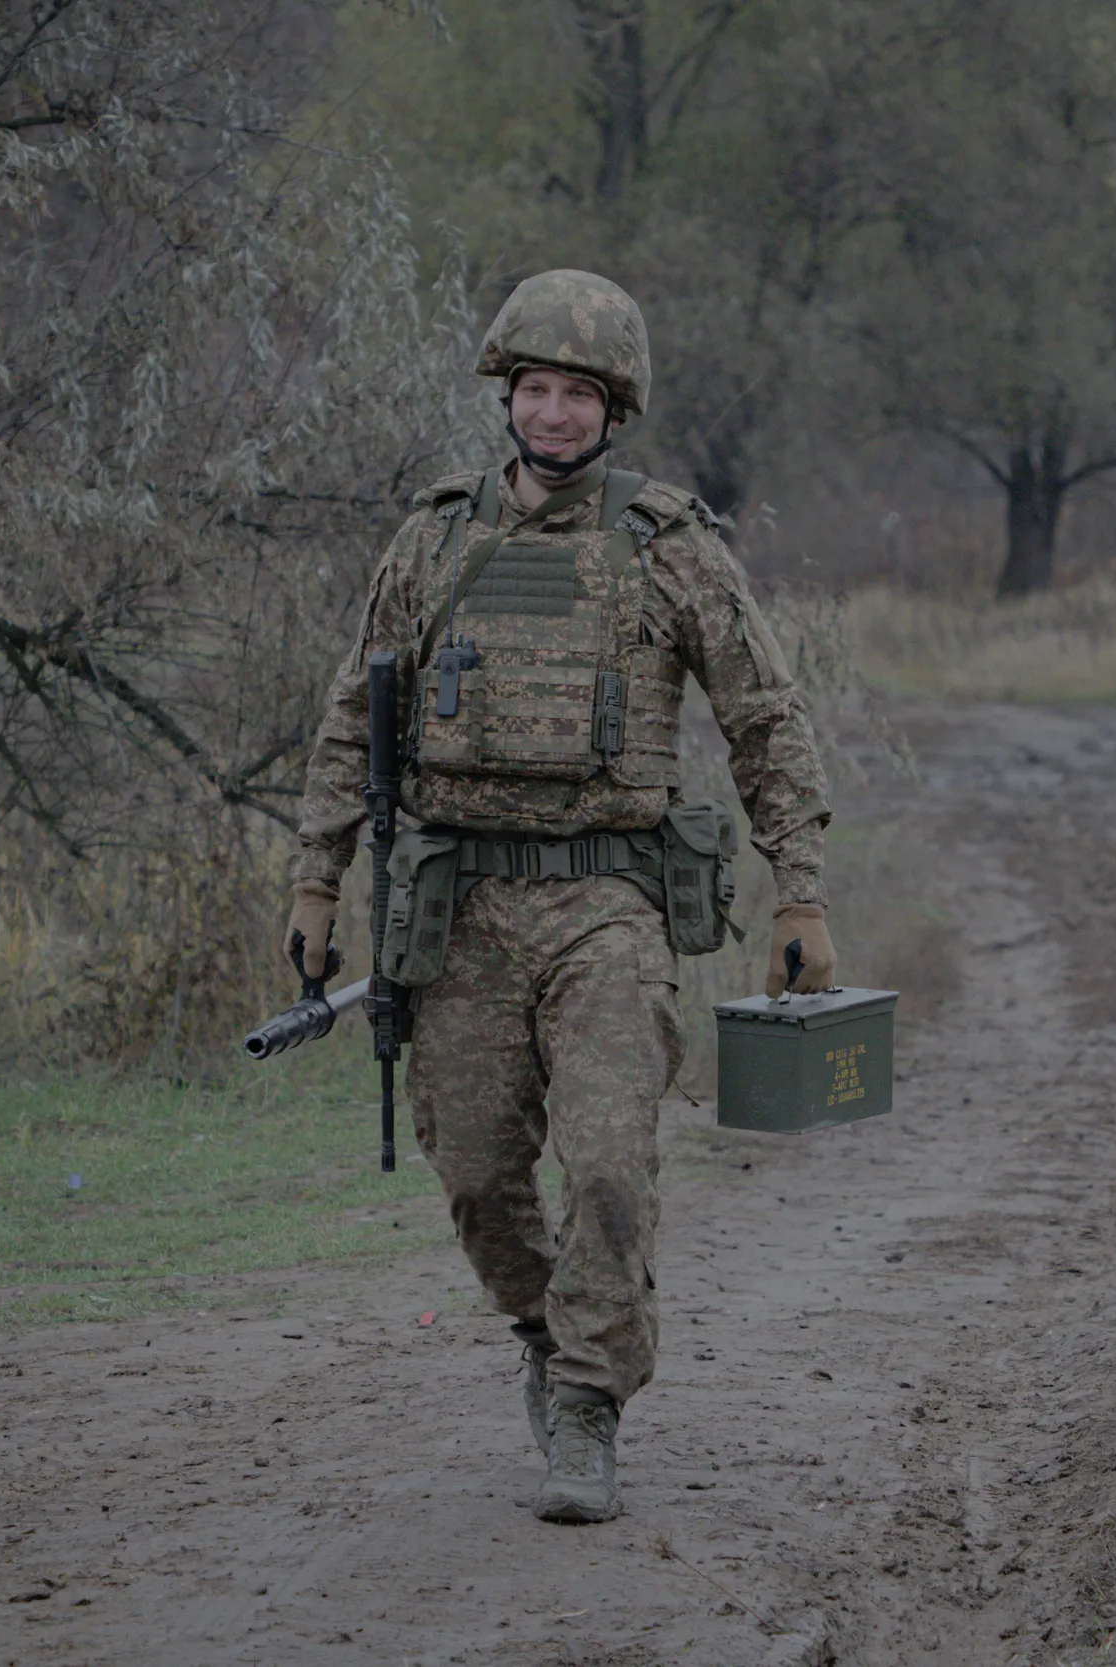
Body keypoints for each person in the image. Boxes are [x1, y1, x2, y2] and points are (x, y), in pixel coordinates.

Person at [283, 270, 836, 1524]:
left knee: (609, 1171)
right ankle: (547, 1330)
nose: (551, 412)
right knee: (478, 1176)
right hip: (462, 908)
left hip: (605, 908)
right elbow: (343, 719)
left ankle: (588, 1400)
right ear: (506, 397)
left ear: (612, 409)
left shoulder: (668, 545)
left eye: (576, 393)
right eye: (533, 388)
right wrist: (316, 875)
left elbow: (765, 718)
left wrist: (798, 889)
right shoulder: (433, 540)